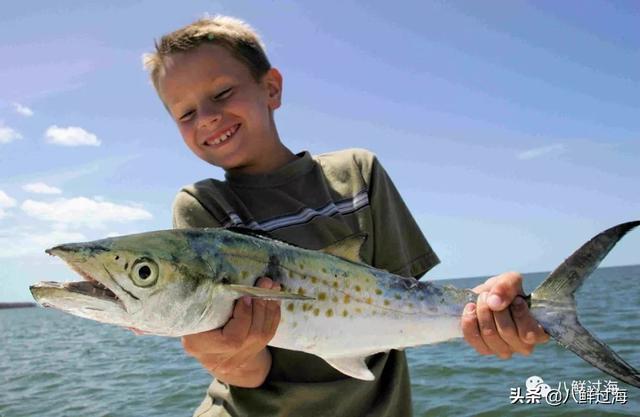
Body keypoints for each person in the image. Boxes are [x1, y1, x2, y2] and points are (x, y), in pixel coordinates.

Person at [143, 15, 548, 417]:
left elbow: (402, 303)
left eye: (223, 92)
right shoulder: (202, 205)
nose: (207, 117)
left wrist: (487, 311)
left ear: (271, 88)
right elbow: (249, 372)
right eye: (185, 114)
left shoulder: (357, 174)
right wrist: (230, 357)